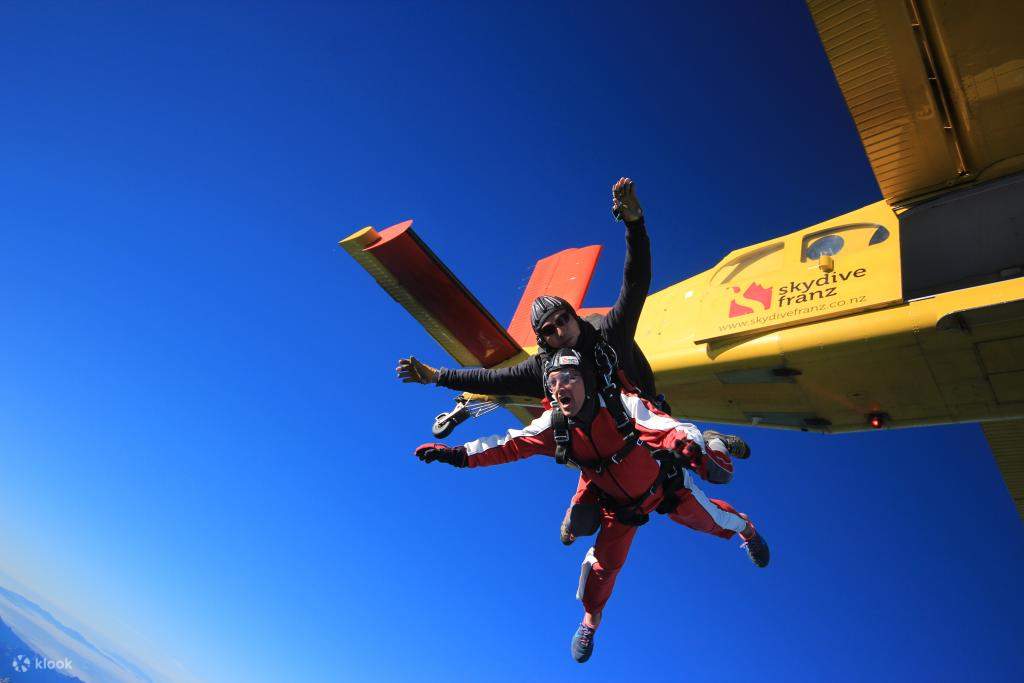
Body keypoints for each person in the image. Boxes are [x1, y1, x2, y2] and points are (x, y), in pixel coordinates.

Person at [398, 178, 750, 543]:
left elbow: (635, 283)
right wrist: (437, 376)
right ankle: (585, 515)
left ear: (573, 317)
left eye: (563, 320)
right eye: (549, 330)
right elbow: (492, 381)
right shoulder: (543, 368)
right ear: (543, 340)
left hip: (640, 421)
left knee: (714, 472)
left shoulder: (608, 334)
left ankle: (713, 441)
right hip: (598, 445)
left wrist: (635, 224)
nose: (559, 330)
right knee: (577, 527)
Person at [413, 349, 769, 663]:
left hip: (666, 484)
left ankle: (734, 492)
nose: (559, 387)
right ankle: (590, 622)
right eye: (553, 382)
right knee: (601, 567)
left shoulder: (619, 404)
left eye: (568, 378)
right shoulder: (555, 423)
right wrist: (459, 455)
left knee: (716, 507)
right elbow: (509, 444)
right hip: (620, 507)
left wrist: (685, 442)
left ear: (587, 380)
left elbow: (665, 425)